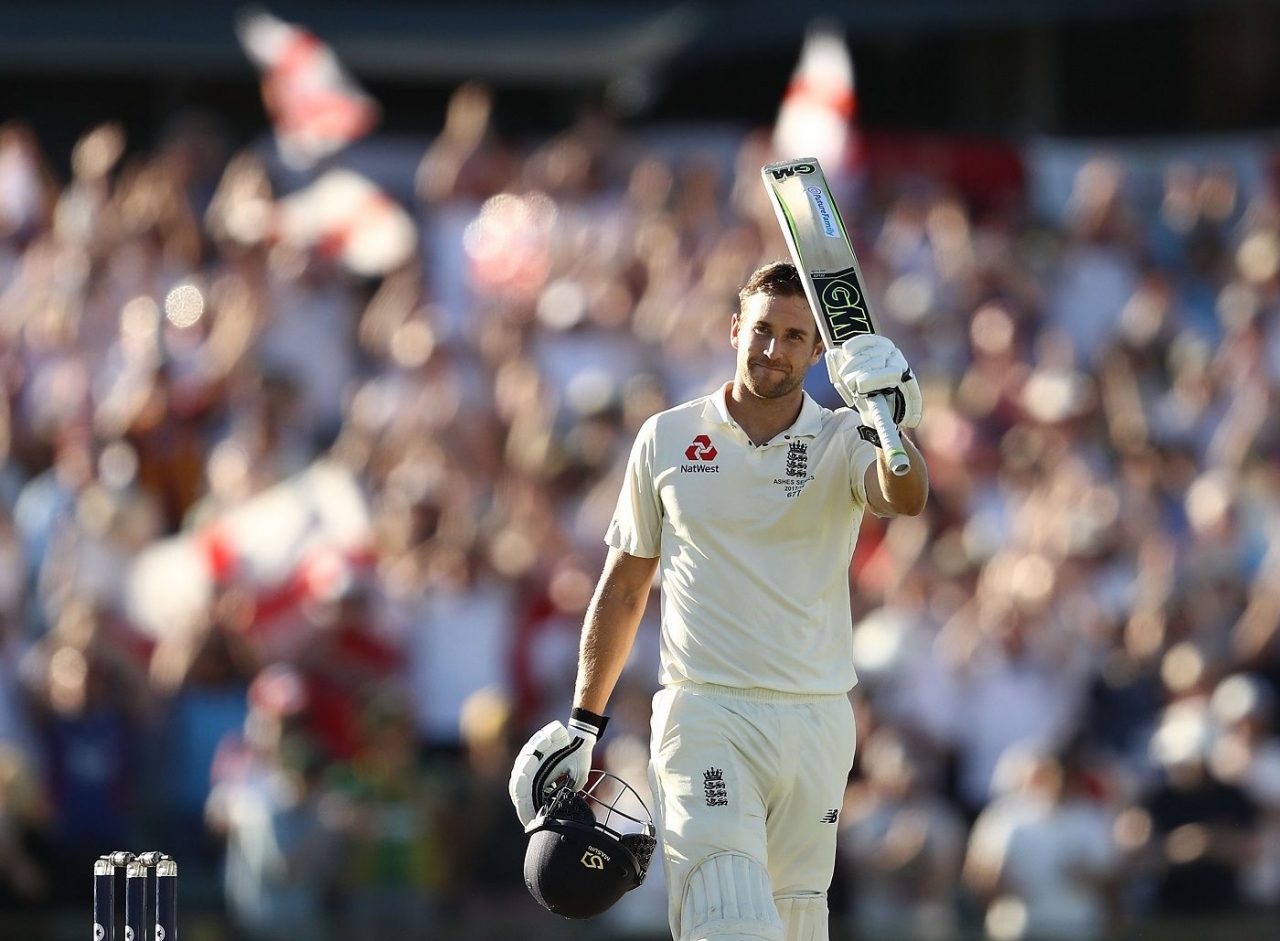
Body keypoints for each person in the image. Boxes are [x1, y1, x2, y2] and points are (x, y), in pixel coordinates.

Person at [510, 259, 928, 941]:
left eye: (795, 336)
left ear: (817, 351)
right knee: (728, 918)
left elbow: (906, 496)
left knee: (797, 922)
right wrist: (584, 723)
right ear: (736, 329)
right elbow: (623, 588)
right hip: (707, 708)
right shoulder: (668, 436)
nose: (774, 349)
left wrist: (890, 421)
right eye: (762, 330)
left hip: (816, 719)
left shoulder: (844, 437)